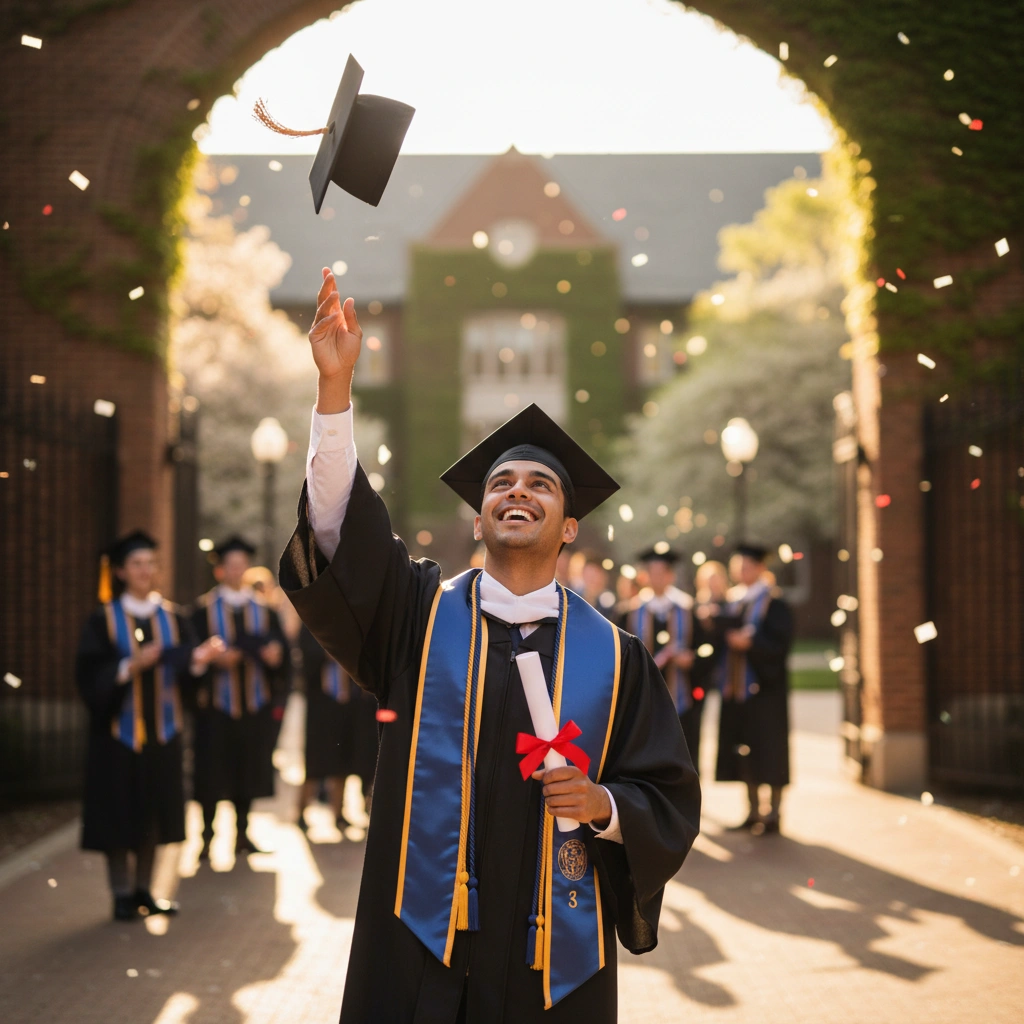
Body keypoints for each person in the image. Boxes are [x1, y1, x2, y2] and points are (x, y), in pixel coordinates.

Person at [278, 269, 700, 1023]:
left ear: (570, 526)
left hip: (552, 959)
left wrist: (603, 803)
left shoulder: (614, 657)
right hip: (422, 944)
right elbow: (344, 538)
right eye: (501, 483)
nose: (517, 492)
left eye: (542, 485)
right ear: (478, 520)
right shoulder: (420, 616)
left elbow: (667, 796)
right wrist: (334, 391)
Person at [76, 530, 223, 920]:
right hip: (118, 738)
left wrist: (199, 661)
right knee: (119, 815)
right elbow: (88, 676)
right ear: (121, 571)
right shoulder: (103, 619)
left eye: (150, 564)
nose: (145, 571)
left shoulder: (173, 617)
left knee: (155, 815)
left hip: (164, 733)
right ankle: (121, 892)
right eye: (137, 564)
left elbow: (188, 672)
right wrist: (129, 667)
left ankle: (146, 889)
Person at [191, 536, 289, 858]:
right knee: (211, 774)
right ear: (220, 570)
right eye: (230, 565)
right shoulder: (202, 611)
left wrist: (276, 656)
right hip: (215, 707)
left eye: (241, 564)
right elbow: (188, 657)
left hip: (253, 705)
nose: (236, 570)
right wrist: (210, 661)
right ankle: (206, 838)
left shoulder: (265, 610)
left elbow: (283, 656)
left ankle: (242, 836)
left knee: (247, 772)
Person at [714, 543, 793, 835]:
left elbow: (781, 647)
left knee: (769, 752)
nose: (741, 571)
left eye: (747, 566)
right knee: (743, 751)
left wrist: (752, 644)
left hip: (766, 693)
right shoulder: (734, 601)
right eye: (738, 566)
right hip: (738, 692)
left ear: (761, 568)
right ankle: (752, 811)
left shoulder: (775, 602)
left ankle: (773, 813)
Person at [297, 624, 378, 835]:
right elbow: (304, 656)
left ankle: (339, 814)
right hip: (323, 701)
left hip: (353, 700)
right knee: (316, 760)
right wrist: (331, 652)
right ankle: (301, 811)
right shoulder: (312, 616)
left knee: (344, 759)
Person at [626, 548, 701, 765]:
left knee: (684, 755)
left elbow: (706, 649)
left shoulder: (687, 609)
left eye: (662, 573)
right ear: (644, 576)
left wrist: (692, 658)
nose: (657, 578)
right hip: (644, 698)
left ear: (671, 576)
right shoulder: (630, 611)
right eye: (652, 572)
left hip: (682, 698)